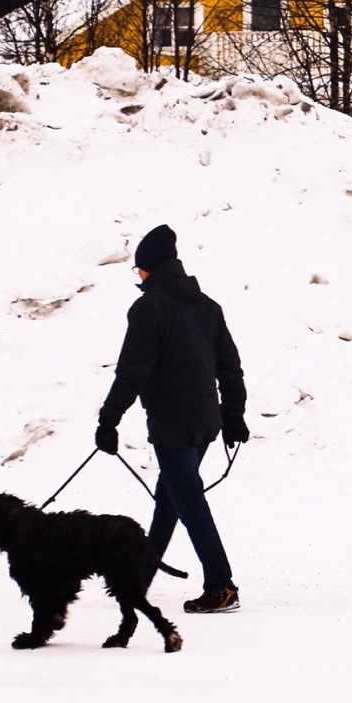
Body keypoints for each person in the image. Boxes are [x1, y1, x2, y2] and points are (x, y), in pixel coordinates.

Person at [95, 224, 249, 614]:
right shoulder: (207, 306)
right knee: (170, 498)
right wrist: (232, 417)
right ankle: (141, 577)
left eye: (138, 269)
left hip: (173, 426)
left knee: (189, 503)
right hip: (205, 424)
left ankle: (221, 586)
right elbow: (230, 368)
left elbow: (132, 371)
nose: (138, 276)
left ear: (149, 268)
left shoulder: (150, 308)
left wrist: (108, 420)